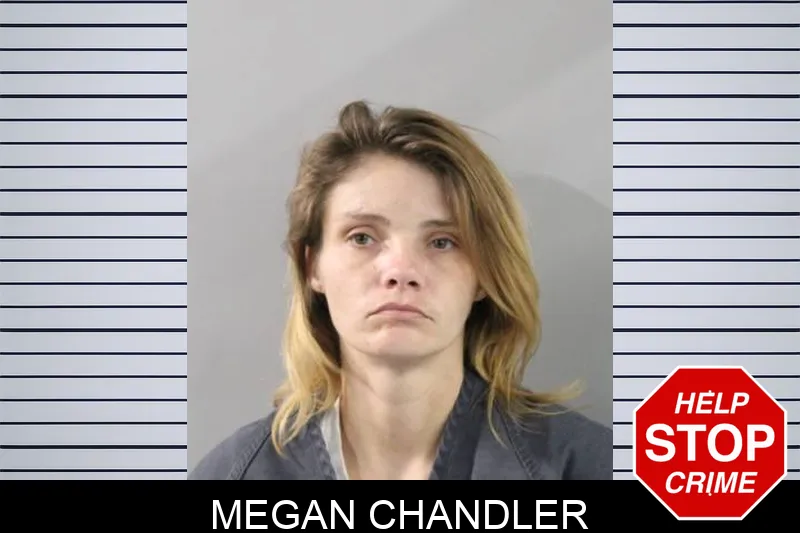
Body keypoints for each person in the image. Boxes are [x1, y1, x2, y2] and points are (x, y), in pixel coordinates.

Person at [189, 100, 611, 480]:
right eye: (362, 237)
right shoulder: (233, 476)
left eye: (442, 242)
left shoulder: (585, 467)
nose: (401, 271)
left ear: (484, 274)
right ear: (311, 265)